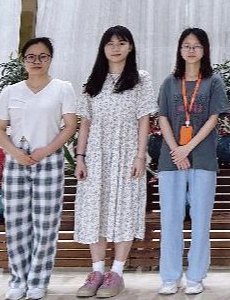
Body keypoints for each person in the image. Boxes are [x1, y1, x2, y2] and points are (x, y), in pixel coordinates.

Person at [74, 26, 157, 298]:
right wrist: (80, 157)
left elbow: (144, 120)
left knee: (125, 209)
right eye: (110, 44)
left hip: (127, 153)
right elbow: (85, 123)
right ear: (103, 48)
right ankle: (97, 271)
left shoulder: (140, 79)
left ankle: (117, 273)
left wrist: (140, 155)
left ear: (130, 47)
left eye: (121, 43)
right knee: (94, 209)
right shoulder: (93, 81)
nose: (115, 48)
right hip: (96, 155)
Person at [0, 37, 77, 300]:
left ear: (50, 59)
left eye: (43, 56)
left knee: (45, 223)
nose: (36, 61)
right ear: (23, 60)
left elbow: (70, 126)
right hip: (16, 160)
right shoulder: (12, 91)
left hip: (48, 159)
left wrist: (47, 150)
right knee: (16, 223)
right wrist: (15, 152)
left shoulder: (62, 88)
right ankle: (18, 280)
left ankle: (38, 280)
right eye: (31, 56)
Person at [156, 28, 230, 295]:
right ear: (179, 50)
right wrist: (176, 149)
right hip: (171, 160)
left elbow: (213, 119)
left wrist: (187, 147)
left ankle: (196, 276)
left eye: (196, 46)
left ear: (204, 50)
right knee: (170, 220)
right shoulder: (169, 82)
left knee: (200, 220)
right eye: (186, 45)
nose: (191, 50)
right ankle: (170, 277)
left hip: (202, 159)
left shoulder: (213, 82)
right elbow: (163, 117)